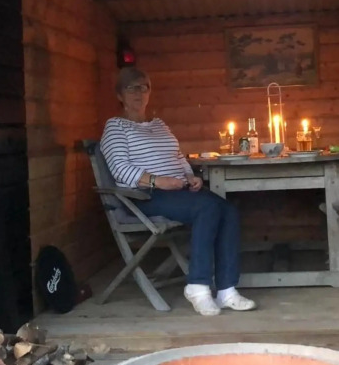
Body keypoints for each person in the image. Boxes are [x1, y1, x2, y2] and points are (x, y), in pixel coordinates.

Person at [100, 67, 256, 316]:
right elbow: (120, 169)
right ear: (120, 95)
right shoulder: (115, 127)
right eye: (131, 88)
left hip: (178, 191)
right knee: (207, 208)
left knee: (228, 210)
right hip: (145, 196)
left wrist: (189, 176)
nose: (138, 93)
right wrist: (158, 181)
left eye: (143, 87)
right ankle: (198, 287)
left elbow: (177, 157)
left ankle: (226, 291)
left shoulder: (159, 125)